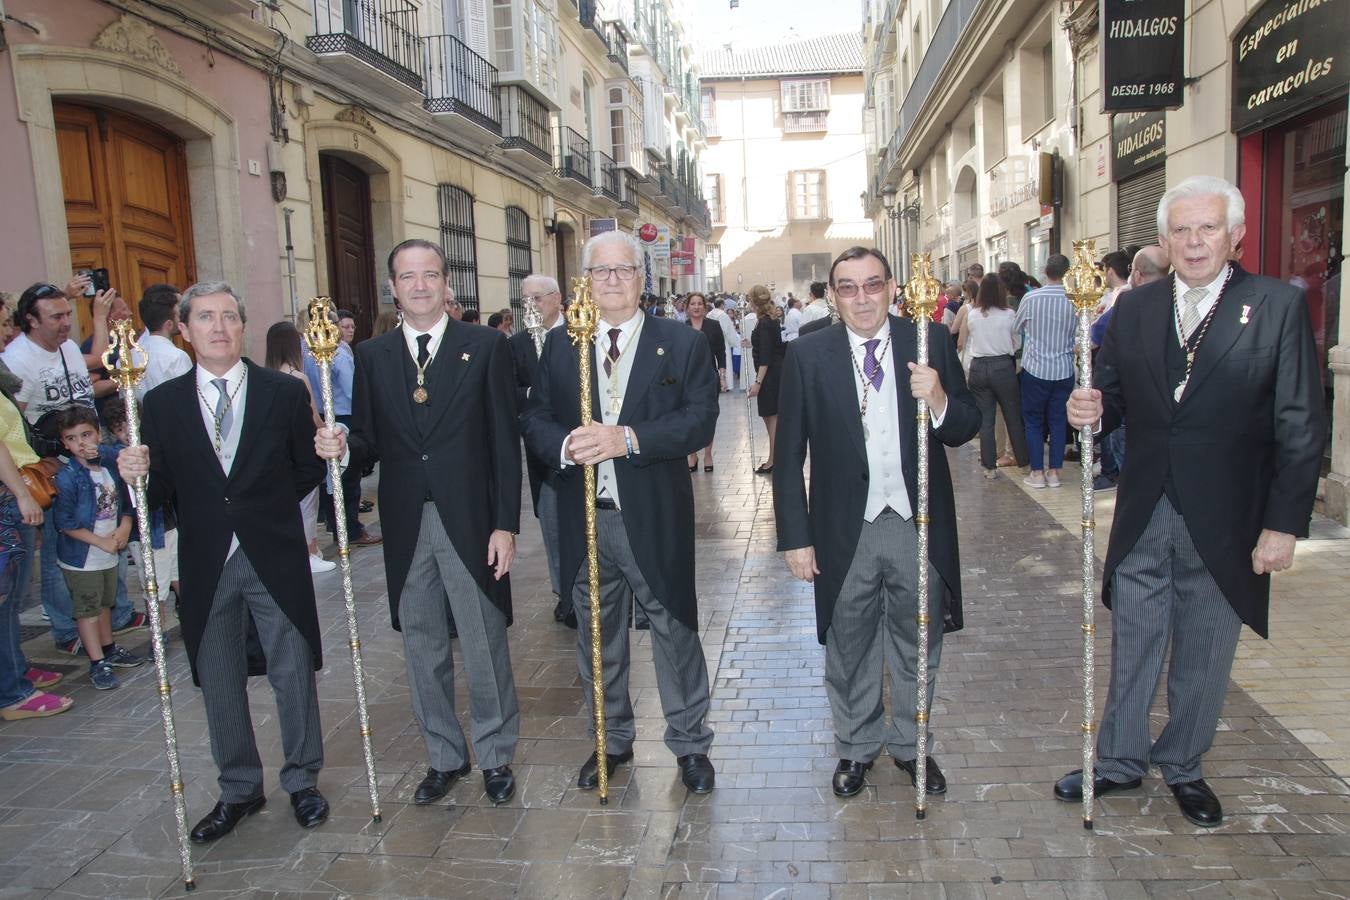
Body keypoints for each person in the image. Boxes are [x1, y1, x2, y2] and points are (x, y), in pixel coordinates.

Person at [1054, 175, 1326, 828]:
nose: (1195, 241)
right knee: (1135, 641)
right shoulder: (1137, 310)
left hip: (1228, 516)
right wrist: (1090, 410)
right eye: (1182, 229)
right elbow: (1115, 396)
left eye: (1208, 228)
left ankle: (1184, 764)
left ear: (1235, 237)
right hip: (1146, 506)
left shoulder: (1273, 307)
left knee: (1206, 646)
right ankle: (1119, 761)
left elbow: (1300, 424)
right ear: (1163, 240)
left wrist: (1282, 526)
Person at [118, 281, 331, 842]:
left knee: (292, 668)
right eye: (205, 318)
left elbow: (306, 468)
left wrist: (267, 508)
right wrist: (134, 473)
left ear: (243, 326)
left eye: (230, 317)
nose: (219, 327)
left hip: (274, 551)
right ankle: (239, 788)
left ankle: (303, 780)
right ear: (183, 330)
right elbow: (159, 488)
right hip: (208, 557)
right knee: (217, 676)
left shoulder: (280, 394)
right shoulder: (160, 404)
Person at [315, 239, 522, 807]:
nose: (421, 286)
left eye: (431, 274)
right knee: (422, 643)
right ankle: (444, 755)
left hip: (473, 520)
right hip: (407, 523)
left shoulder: (483, 346)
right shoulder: (373, 356)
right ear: (393, 286)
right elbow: (369, 443)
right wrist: (338, 445)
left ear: (446, 282)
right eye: (409, 277)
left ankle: (496, 753)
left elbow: (506, 442)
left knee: (482, 642)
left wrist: (506, 525)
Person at [773, 246, 980, 798]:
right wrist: (795, 537)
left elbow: (966, 425)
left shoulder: (928, 339)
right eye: (848, 287)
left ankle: (913, 748)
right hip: (845, 527)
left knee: (919, 640)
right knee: (850, 644)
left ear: (892, 287)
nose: (861, 298)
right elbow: (787, 452)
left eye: (872, 285)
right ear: (833, 295)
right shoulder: (809, 355)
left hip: (919, 524)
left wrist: (938, 399)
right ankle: (857, 747)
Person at [521, 230, 719, 795]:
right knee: (595, 634)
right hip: (584, 514)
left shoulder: (680, 343)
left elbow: (699, 420)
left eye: (623, 270)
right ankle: (610, 740)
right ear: (585, 282)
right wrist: (565, 446)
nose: (611, 280)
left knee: (673, 629)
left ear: (642, 278)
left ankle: (689, 743)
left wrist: (626, 438)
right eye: (600, 272)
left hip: (653, 514)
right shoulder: (562, 345)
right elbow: (534, 419)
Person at [5, 283, 141, 654]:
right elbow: (12, 421)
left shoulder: (65, 347)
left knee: (106, 534)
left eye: (68, 314)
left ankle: (111, 617)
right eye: (57, 317)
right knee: (57, 550)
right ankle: (67, 630)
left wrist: (98, 319)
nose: (66, 324)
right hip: (54, 467)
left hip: (91, 460)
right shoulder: (18, 359)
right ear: (31, 321)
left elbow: (93, 362)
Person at [52, 405, 143, 690]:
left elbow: (128, 498)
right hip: (84, 557)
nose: (81, 443)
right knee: (88, 609)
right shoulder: (68, 477)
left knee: (105, 602)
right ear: (64, 443)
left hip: (109, 549)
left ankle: (109, 648)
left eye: (87, 434)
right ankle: (96, 661)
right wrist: (101, 541)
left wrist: (125, 526)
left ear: (98, 435)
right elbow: (64, 523)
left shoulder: (109, 465)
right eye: (72, 438)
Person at [0, 388, 71, 720]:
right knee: (5, 599)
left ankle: (14, 670)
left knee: (12, 599)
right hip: (8, 497)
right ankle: (12, 691)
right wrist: (21, 495)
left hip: (13, 492)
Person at [509, 274, 570, 626]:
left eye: (538, 298)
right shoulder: (516, 345)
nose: (531, 305)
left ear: (557, 298)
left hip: (585, 447)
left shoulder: (581, 333)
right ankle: (564, 595)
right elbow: (509, 392)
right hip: (544, 458)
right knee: (552, 526)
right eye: (525, 300)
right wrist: (535, 395)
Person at [302, 308, 379, 551]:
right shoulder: (337, 353)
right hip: (343, 413)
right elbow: (351, 388)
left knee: (332, 478)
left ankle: (335, 523)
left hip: (324, 413)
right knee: (346, 478)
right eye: (339, 325)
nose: (345, 330)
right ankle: (349, 528)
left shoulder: (305, 350)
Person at [103, 396, 180, 620]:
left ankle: (191, 620)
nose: (128, 432)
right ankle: (159, 633)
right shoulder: (118, 457)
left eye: (131, 423)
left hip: (170, 524)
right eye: (119, 428)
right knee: (155, 586)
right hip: (146, 532)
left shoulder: (153, 447)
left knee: (178, 574)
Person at [267, 322, 335, 575]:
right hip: (302, 448)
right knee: (307, 502)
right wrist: (328, 430)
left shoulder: (267, 376)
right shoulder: (298, 378)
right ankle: (310, 550)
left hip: (278, 450)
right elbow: (313, 417)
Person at [1013, 254, 1075, 488]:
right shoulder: (1074, 299)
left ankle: (1037, 472)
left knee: (1033, 421)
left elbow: (1016, 327)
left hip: (1036, 367)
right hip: (1064, 367)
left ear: (1045, 271)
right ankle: (1055, 472)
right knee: (1059, 420)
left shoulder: (1031, 298)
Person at [961, 274, 1028, 477]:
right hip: (1002, 366)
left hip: (979, 367)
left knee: (986, 419)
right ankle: (1024, 462)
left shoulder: (972, 314)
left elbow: (969, 340)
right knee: (1012, 416)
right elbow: (1017, 342)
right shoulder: (1009, 314)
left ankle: (989, 467)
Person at [684, 292, 725, 472]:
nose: (696, 307)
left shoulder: (714, 326)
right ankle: (692, 454)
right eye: (693, 304)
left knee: (709, 417)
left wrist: (722, 377)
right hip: (688, 380)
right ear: (687, 307)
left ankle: (708, 454)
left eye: (700, 303)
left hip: (710, 378)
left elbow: (721, 353)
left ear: (705, 306)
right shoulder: (683, 327)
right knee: (690, 417)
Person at [748, 286, 785, 473]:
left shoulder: (764, 323)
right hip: (773, 373)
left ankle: (773, 459)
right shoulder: (768, 321)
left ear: (754, 301)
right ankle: (774, 457)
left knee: (771, 417)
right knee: (770, 416)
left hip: (769, 376)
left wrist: (758, 382)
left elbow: (766, 356)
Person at [136, 284, 192, 399]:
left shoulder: (130, 355)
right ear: (169, 324)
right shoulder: (177, 357)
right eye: (178, 315)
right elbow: (188, 397)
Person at [705, 297, 740, 386]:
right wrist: (734, 342)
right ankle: (725, 383)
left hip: (711, 342)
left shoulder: (709, 314)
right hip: (723, 341)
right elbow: (728, 331)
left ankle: (715, 383)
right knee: (724, 362)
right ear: (722, 305)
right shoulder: (723, 315)